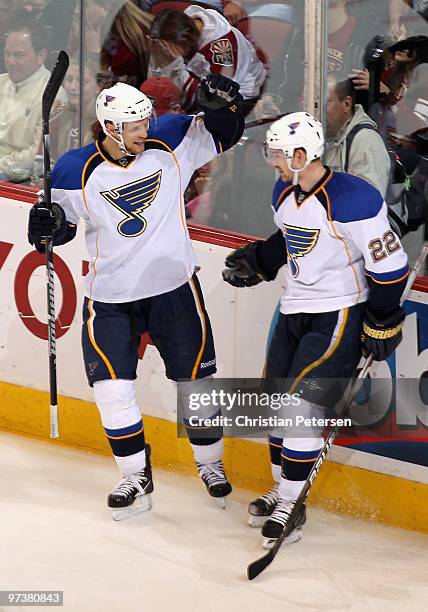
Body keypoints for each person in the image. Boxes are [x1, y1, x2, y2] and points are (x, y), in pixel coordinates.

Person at [27, 74, 245, 520]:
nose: (147, 130)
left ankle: (210, 464)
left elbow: (226, 134)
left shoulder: (169, 140)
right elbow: (62, 231)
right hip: (111, 297)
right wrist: (45, 228)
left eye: (147, 121)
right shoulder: (72, 170)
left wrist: (225, 106)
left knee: (196, 386)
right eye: (136, 126)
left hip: (173, 290)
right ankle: (133, 473)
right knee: (112, 389)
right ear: (110, 129)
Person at [222, 111, 409, 548]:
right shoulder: (283, 191)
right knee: (271, 404)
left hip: (338, 313)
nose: (270, 160)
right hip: (295, 308)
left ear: (301, 155)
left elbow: (391, 265)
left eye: (277, 153)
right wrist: (263, 260)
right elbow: (292, 238)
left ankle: (291, 504)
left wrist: (382, 318)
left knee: (300, 410)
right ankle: (283, 489)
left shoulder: (354, 199)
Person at [148, 5, 267, 113]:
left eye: (168, 48)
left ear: (184, 42)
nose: (165, 51)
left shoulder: (221, 49)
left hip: (239, 97)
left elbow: (219, 94)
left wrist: (175, 63)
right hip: (204, 82)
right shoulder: (186, 23)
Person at [0, 13, 66, 182]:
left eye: (19, 55)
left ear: (41, 56)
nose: (10, 61)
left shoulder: (53, 96)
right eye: (7, 54)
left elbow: (36, 156)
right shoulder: (1, 81)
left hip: (19, 179)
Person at [325, 76, 391, 198]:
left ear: (346, 104)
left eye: (326, 102)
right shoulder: (331, 136)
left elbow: (368, 203)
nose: (318, 108)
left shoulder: (367, 141)